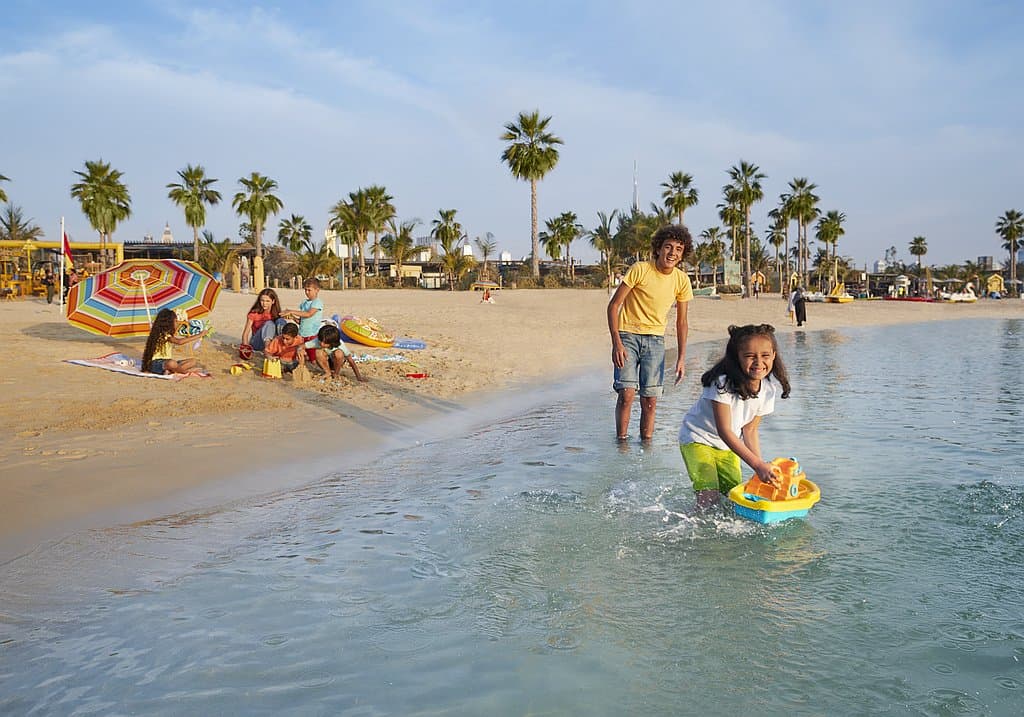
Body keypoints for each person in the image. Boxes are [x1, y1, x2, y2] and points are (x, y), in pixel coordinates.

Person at [678, 324, 792, 510]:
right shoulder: (721, 383)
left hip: (727, 447)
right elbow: (724, 430)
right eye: (749, 356)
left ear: (774, 355)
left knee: (733, 497)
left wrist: (760, 467)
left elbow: (750, 429)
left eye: (765, 355)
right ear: (736, 357)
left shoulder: (769, 390)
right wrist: (757, 465)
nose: (758, 362)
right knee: (708, 497)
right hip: (697, 438)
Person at [606, 224, 694, 442]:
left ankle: (646, 447)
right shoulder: (640, 269)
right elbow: (614, 305)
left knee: (650, 400)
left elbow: (682, 322)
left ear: (683, 254)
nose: (672, 253)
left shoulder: (682, 280)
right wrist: (617, 342)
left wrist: (682, 357)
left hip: (655, 342)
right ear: (658, 248)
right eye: (668, 247)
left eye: (678, 249)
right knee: (626, 394)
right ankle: (622, 444)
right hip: (627, 336)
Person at [142, 308, 209, 375]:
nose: (177, 323)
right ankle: (184, 372)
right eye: (176, 321)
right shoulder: (163, 335)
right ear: (168, 323)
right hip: (156, 364)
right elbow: (179, 342)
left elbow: (176, 334)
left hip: (166, 362)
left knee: (193, 361)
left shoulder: (166, 333)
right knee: (172, 363)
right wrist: (200, 335)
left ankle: (171, 371)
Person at [282, 278, 324, 362]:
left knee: (313, 358)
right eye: (305, 290)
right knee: (300, 354)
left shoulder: (317, 302)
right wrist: (292, 317)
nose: (307, 292)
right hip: (301, 335)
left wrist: (291, 311)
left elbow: (309, 314)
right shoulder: (304, 303)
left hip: (312, 335)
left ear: (317, 290)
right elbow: (301, 321)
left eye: (309, 290)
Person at [240, 288, 283, 352]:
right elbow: (245, 334)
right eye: (262, 300)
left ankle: (283, 348)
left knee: (281, 321)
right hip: (257, 342)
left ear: (273, 301)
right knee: (269, 323)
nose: (264, 303)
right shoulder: (254, 313)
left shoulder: (276, 313)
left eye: (267, 301)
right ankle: (267, 351)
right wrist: (246, 348)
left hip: (273, 342)